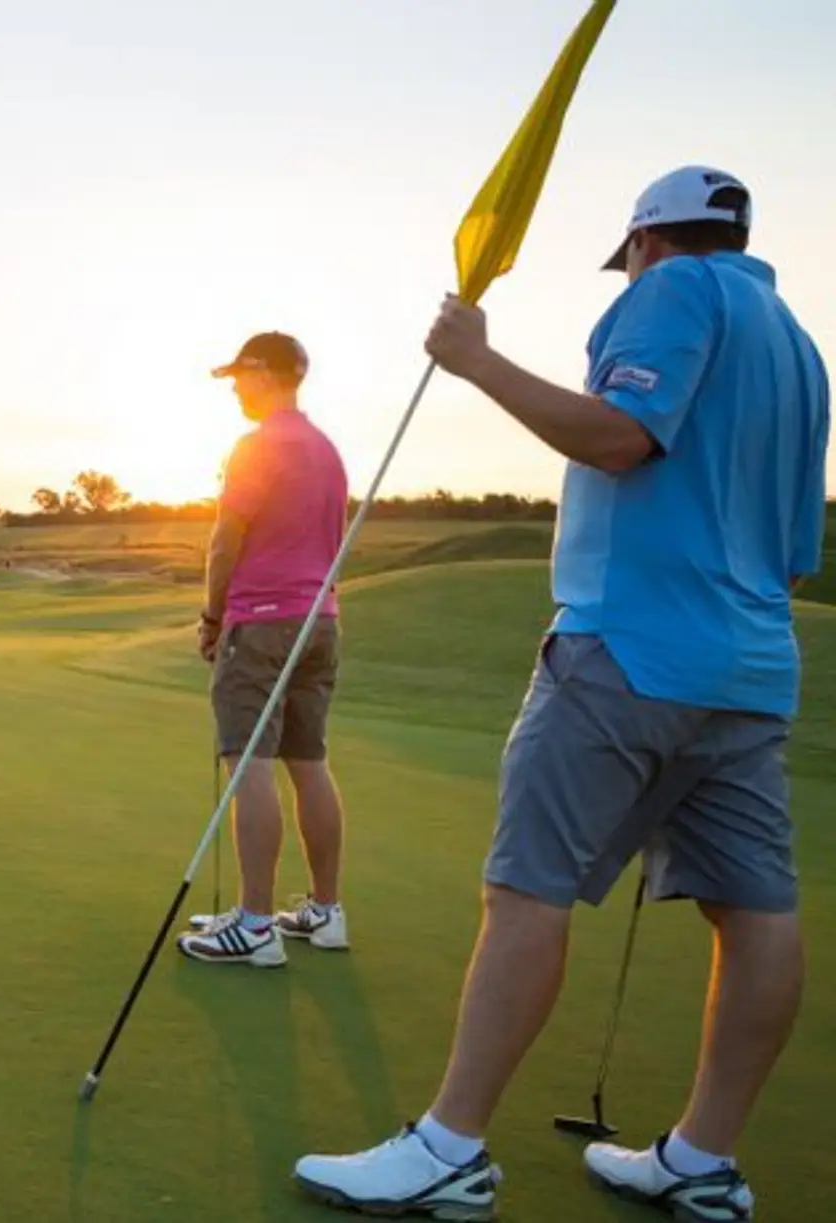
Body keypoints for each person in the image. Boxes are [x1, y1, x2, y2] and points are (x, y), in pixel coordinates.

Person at [294, 166, 828, 1220]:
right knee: (753, 909)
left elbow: (616, 436)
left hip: (625, 649)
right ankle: (699, 1158)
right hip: (749, 669)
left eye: (626, 255)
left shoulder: (673, 289)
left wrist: (473, 360)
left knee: (524, 888)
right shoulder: (800, 346)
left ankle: (448, 1145)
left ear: (645, 242)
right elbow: (795, 555)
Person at [176, 331, 354, 968]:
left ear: (266, 374)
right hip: (320, 622)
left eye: (240, 376)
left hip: (261, 621)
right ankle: (325, 911)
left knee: (248, 762)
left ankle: (255, 924)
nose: (233, 389)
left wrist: (212, 616)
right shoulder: (327, 450)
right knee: (308, 761)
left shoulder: (256, 446)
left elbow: (226, 541)